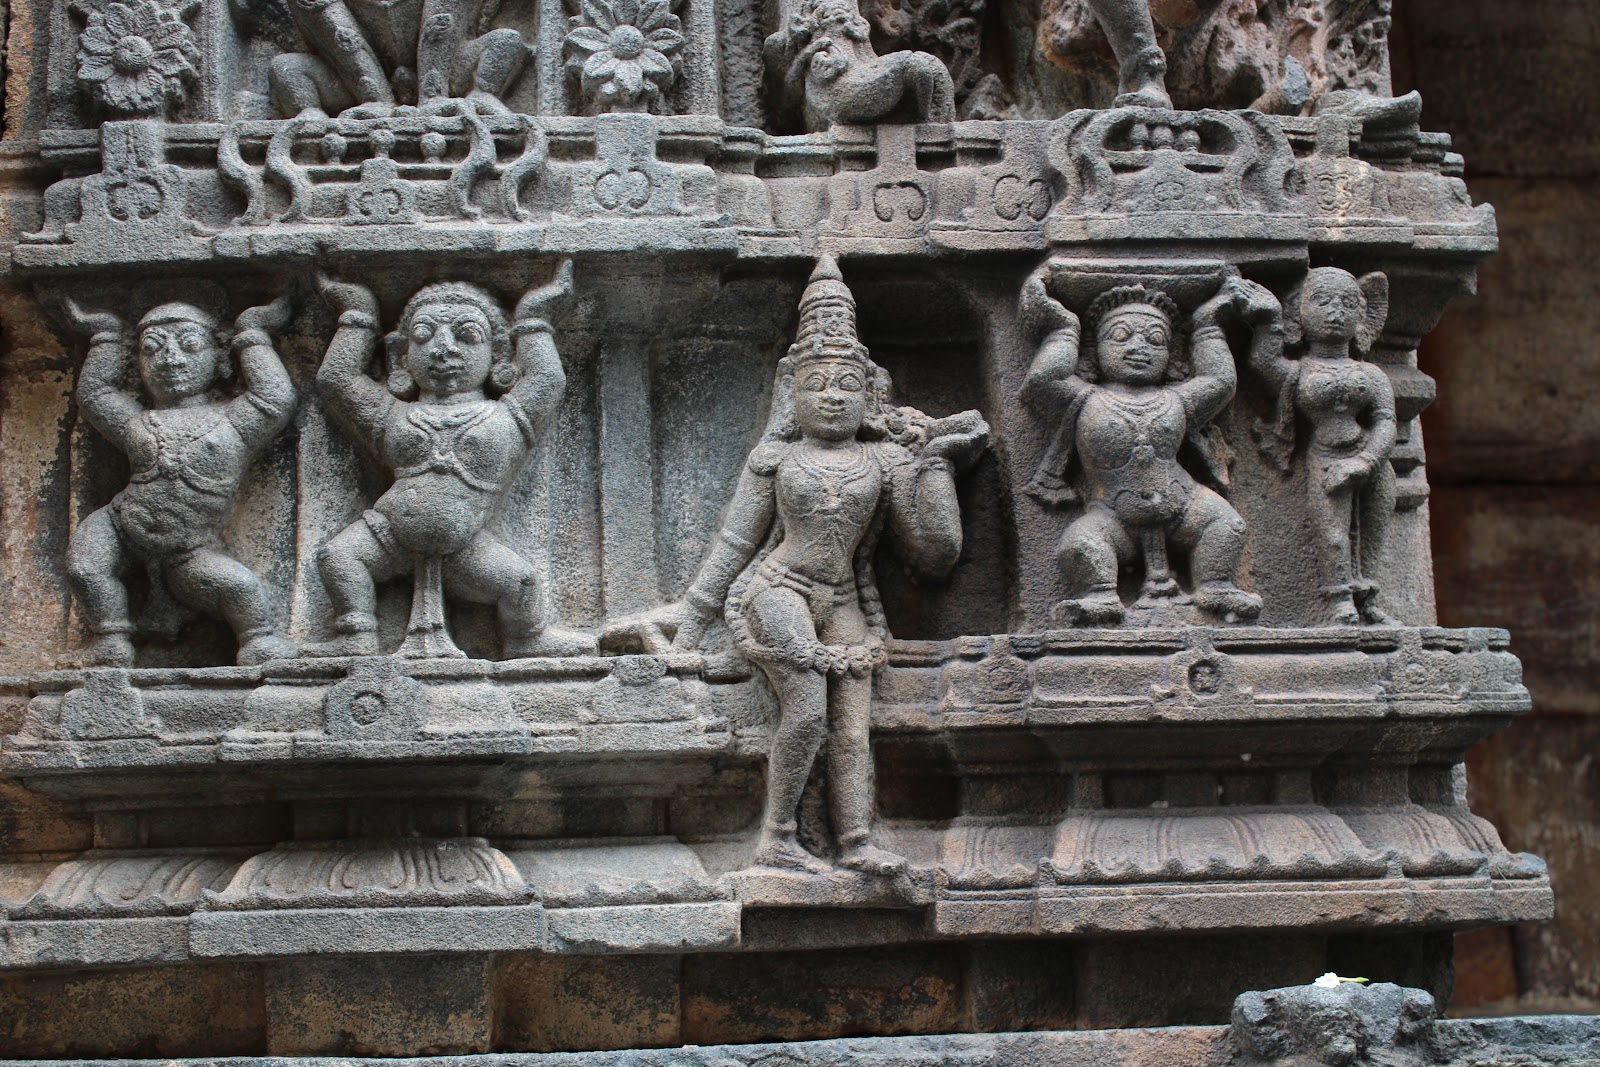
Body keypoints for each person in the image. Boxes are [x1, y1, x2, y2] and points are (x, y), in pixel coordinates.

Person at [641, 256, 987, 875]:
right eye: (816, 384)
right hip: (779, 591)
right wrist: (691, 623)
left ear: (869, 394)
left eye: (846, 386)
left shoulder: (886, 462)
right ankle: (777, 837)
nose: (831, 395)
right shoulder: (776, 458)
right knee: (806, 709)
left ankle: (855, 841)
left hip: (846, 603)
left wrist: (935, 463)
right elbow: (734, 544)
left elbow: (935, 554)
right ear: (790, 392)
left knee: (852, 729)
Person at [310, 262, 595, 658]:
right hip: (388, 532)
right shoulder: (392, 415)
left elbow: (547, 379)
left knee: (523, 583)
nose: (444, 348)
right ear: (401, 356)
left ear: (498, 355)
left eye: (466, 335)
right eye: (424, 336)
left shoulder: (507, 417)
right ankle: (356, 636)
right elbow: (337, 380)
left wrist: (534, 317)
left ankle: (526, 639)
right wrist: (356, 315)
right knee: (338, 557)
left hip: (466, 545)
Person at [1022, 274, 1270, 625]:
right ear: (1095, 349)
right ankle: (1100, 595)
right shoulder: (1086, 397)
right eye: (1121, 336)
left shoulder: (1177, 399)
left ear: (1171, 355)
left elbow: (1220, 381)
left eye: (1155, 340)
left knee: (1227, 525)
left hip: (1182, 505)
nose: (1139, 348)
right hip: (1112, 514)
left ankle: (1215, 585)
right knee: (1080, 544)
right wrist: (1065, 328)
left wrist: (1207, 325)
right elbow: (1043, 382)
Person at [64, 297, 299, 667]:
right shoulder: (137, 422)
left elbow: (274, 397)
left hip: (188, 547)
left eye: (190, 346)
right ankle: (110, 639)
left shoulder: (234, 421)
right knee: (85, 567)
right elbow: (95, 395)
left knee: (239, 588)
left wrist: (252, 334)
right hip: (121, 525)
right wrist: (105, 337)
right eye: (152, 349)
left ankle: (259, 639)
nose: (172, 360)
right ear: (137, 363)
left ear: (220, 360)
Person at [1246, 267, 1396, 625]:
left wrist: (1367, 461)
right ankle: (1340, 600)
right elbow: (1262, 361)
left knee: (1373, 532)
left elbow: (1386, 421)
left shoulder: (1371, 374)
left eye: (1347, 303)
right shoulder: (1298, 371)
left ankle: (1370, 599)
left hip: (1372, 459)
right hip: (1326, 457)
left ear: (1361, 316)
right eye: (1322, 301)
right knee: (1332, 535)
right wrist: (1269, 318)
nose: (1335, 311)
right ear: (1299, 312)